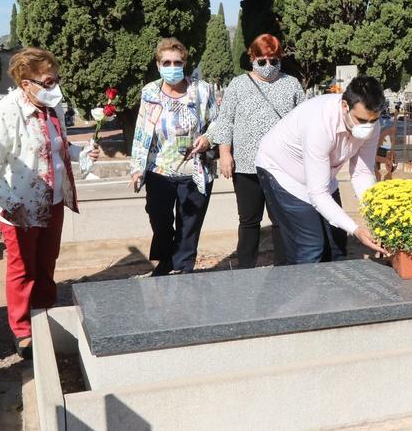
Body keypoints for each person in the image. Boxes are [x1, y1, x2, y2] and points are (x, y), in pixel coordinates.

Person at [0, 47, 99, 358]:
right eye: (48, 81)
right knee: (22, 267)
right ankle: (23, 329)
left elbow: (56, 146)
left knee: (46, 262)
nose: (54, 86)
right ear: (26, 83)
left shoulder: (50, 108)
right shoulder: (6, 112)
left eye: (56, 79)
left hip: (51, 200)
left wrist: (81, 153)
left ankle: (44, 315)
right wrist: (8, 201)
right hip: (19, 206)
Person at [254, 75, 389, 265]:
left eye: (372, 121)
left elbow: (362, 172)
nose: (366, 128)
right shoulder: (320, 123)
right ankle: (291, 292)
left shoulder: (370, 124)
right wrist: (356, 229)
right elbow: (317, 193)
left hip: (323, 176)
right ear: (345, 106)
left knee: (337, 246)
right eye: (360, 120)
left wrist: (374, 214)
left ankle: (331, 294)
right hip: (282, 173)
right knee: (310, 247)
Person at [208, 34, 305, 268]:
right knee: (249, 220)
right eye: (262, 61)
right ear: (252, 58)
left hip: (281, 165)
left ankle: (284, 266)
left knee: (281, 219)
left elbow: (303, 120)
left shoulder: (291, 84)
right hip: (246, 164)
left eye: (273, 60)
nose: (268, 66)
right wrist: (225, 153)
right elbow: (226, 121)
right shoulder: (238, 85)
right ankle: (245, 268)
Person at [129, 37, 218, 276]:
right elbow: (142, 131)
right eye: (166, 62)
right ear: (158, 64)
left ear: (185, 63)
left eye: (176, 62)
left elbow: (217, 123)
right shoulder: (150, 92)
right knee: (160, 220)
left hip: (195, 171)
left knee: (189, 226)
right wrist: (137, 167)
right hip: (160, 171)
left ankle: (182, 271)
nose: (171, 67)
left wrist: (208, 139)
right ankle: (166, 261)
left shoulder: (202, 90)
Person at [375, 109, 398, 182]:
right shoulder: (389, 121)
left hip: (380, 146)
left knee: (377, 164)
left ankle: (379, 177)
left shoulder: (377, 121)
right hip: (386, 146)